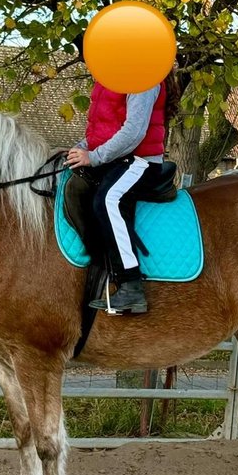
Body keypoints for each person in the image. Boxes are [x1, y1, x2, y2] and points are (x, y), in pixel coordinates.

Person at [66, 70, 180, 314]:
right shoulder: (111, 78)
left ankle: (130, 285)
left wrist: (94, 157)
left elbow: (133, 132)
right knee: (72, 186)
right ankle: (99, 266)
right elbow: (101, 133)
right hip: (116, 160)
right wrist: (80, 149)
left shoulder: (143, 79)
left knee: (108, 200)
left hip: (140, 161)